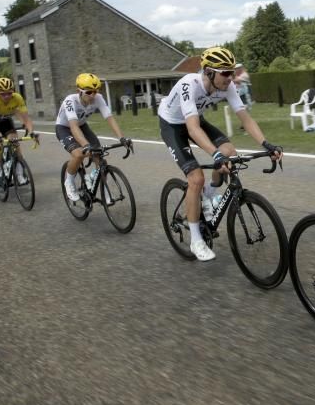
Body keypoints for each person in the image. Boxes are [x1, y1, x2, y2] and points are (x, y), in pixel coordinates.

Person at [158, 47, 282, 262]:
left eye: (232, 72)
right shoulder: (189, 84)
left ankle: (210, 194)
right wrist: (215, 155)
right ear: (208, 72)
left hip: (195, 120)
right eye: (225, 73)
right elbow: (192, 129)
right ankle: (196, 240)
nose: (230, 77)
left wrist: (266, 144)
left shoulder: (228, 86)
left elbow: (245, 118)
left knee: (230, 153)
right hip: (173, 124)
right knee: (196, 177)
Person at [57, 73, 132, 203]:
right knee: (79, 155)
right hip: (65, 128)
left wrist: (122, 138)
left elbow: (110, 118)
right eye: (89, 92)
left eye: (95, 91)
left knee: (99, 156)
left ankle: (99, 184)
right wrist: (86, 145)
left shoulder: (98, 98)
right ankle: (69, 182)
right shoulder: (70, 101)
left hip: (82, 126)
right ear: (79, 91)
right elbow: (73, 127)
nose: (93, 95)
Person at [0, 77, 38, 190]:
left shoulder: (17, 97)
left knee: (15, 143)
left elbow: (26, 118)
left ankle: (19, 172)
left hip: (6, 120)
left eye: (9, 93)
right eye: (3, 94)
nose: (7, 96)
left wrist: (31, 132)